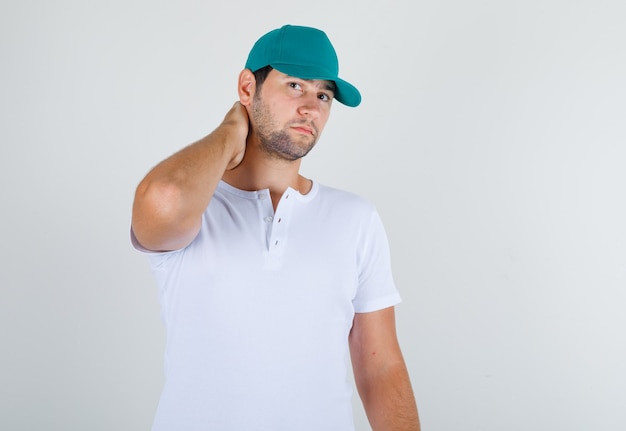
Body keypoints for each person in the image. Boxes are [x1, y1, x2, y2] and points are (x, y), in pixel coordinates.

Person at [131, 24, 420, 431]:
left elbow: (382, 367)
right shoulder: (196, 208)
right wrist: (231, 131)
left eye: (324, 95)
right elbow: (162, 199)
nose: (312, 108)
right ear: (247, 87)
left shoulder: (355, 218)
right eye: (295, 86)